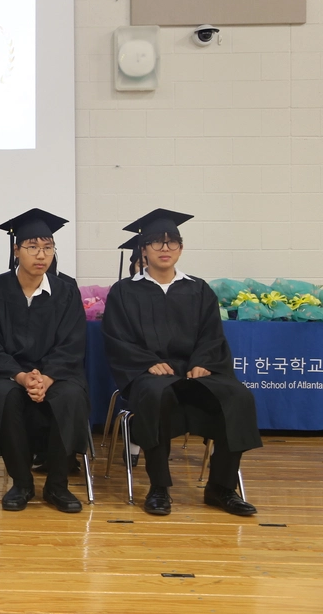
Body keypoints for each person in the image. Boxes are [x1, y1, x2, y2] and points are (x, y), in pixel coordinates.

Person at [102, 209, 260, 517]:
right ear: (143, 249)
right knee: (156, 394)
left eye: (172, 242)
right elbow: (117, 337)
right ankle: (159, 488)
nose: (165, 249)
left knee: (238, 397)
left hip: (195, 371)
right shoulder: (125, 291)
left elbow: (212, 334)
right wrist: (147, 362)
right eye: (156, 243)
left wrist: (203, 362)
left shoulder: (198, 289)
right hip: (152, 374)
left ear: (181, 248)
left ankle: (221, 488)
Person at [0, 209, 89, 513]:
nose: (41, 254)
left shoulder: (66, 291)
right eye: (32, 247)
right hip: (8, 375)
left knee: (71, 395)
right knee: (3, 395)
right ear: (16, 250)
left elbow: (72, 343)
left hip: (56, 375)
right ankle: (21, 484)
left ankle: (57, 486)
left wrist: (46, 377)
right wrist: (22, 377)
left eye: (48, 247)